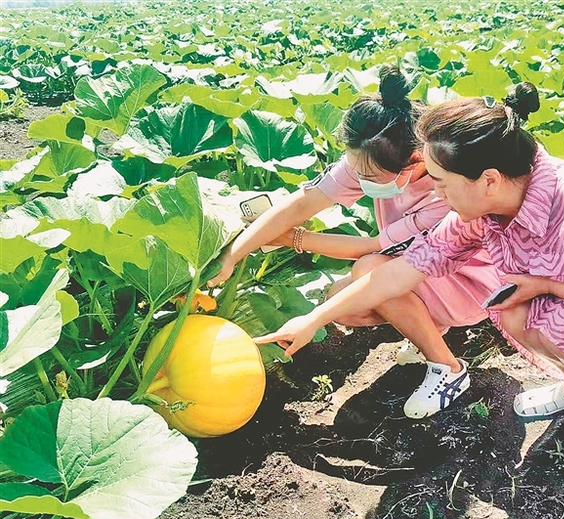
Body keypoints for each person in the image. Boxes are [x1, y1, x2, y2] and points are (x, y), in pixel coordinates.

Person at [254, 83, 564, 479]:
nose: (434, 191)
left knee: (549, 313)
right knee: (512, 306)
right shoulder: (485, 209)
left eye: (440, 181)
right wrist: (313, 319)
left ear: (489, 179)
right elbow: (404, 267)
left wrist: (550, 285)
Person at [209, 66, 503, 419]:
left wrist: (293, 240)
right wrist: (234, 253)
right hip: (417, 270)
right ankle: (429, 327)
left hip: (474, 283)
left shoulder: (445, 193)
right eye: (356, 170)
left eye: (368, 176)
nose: (360, 180)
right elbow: (301, 204)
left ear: (414, 162)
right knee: (343, 300)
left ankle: (449, 370)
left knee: (368, 271)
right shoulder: (373, 155)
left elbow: (374, 250)